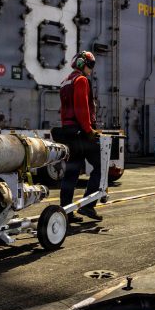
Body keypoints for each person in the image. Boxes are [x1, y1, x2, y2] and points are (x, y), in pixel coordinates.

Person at [56, 51, 103, 222]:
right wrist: (89, 131)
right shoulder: (81, 80)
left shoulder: (65, 82)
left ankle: (66, 212)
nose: (91, 69)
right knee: (100, 166)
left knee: (72, 171)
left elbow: (65, 111)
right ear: (83, 64)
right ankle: (88, 205)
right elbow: (81, 108)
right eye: (91, 65)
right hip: (81, 132)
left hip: (68, 131)